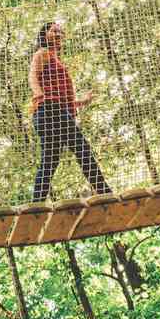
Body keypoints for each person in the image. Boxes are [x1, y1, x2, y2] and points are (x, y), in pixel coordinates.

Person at [29, 21, 111, 203]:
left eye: (60, 32)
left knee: (50, 160)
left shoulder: (55, 59)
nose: (59, 34)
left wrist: (82, 101)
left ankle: (36, 203)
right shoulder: (42, 53)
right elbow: (32, 76)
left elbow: (62, 99)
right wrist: (38, 94)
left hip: (52, 111)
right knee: (82, 148)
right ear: (44, 35)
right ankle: (104, 192)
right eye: (54, 31)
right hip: (49, 110)